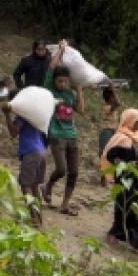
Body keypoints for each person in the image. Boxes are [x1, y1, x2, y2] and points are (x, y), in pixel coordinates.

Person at [42, 42, 85, 216]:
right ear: (54, 81)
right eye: (59, 81)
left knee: (73, 172)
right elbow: (51, 68)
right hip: (56, 135)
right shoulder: (50, 90)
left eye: (65, 81)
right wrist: (60, 49)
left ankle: (65, 205)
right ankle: (48, 185)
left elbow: (81, 110)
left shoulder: (69, 94)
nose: (62, 84)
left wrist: (79, 89)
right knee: (61, 169)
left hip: (71, 135)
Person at [102, 108, 138, 252]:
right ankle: (116, 232)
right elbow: (110, 156)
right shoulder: (121, 138)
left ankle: (135, 240)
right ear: (130, 121)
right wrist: (125, 165)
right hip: (124, 179)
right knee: (123, 204)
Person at [3, 93, 48, 226]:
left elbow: (13, 132)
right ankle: (39, 218)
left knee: (26, 186)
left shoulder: (23, 117)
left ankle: (33, 218)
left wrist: (7, 115)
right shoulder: (36, 116)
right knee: (34, 186)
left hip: (30, 152)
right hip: (41, 151)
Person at [97, 86, 121, 168]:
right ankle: (103, 178)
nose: (115, 98)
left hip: (113, 133)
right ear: (110, 98)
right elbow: (118, 103)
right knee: (105, 154)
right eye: (113, 97)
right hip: (107, 132)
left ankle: (106, 177)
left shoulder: (111, 108)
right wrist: (114, 91)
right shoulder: (106, 107)